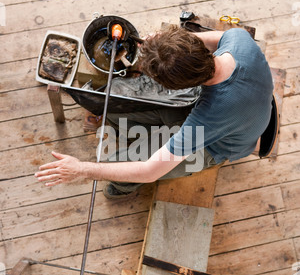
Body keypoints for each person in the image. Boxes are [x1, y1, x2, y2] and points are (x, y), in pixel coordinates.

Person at [35, 24, 274, 198]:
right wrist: (166, 46)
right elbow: (202, 39)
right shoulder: (239, 40)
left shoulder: (207, 117)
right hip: (245, 104)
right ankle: (137, 132)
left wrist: (83, 169)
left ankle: (123, 189)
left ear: (179, 86)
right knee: (117, 111)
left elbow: (149, 171)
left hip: (219, 144)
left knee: (115, 164)